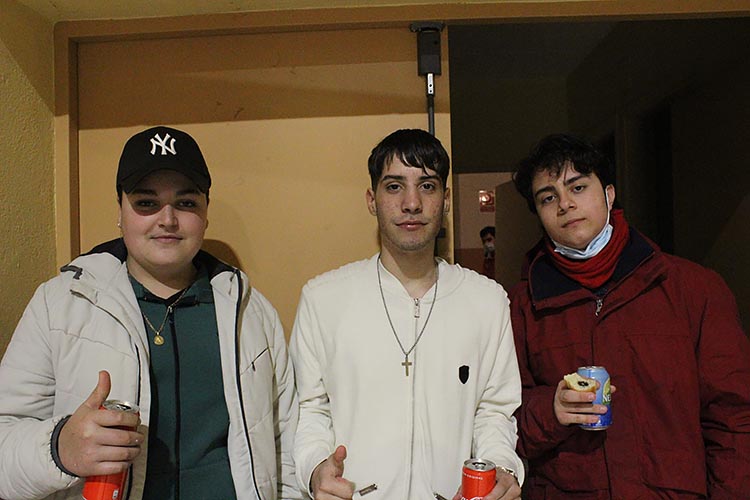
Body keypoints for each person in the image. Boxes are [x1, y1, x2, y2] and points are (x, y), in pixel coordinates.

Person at [0, 126, 301, 500]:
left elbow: (285, 447)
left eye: (186, 203)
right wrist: (60, 448)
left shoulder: (252, 312)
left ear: (205, 214)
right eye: (146, 203)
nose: (167, 219)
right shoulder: (59, 304)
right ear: (120, 212)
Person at [509, 133, 750, 498]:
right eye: (548, 197)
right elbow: (501, 421)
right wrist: (550, 409)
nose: (565, 204)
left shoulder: (693, 288)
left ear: (609, 194)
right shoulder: (521, 307)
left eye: (578, 187)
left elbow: (734, 418)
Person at [290, 129, 523, 500]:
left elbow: (495, 411)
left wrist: (502, 468)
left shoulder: (487, 301)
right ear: (372, 200)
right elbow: (309, 409)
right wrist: (315, 467)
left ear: (446, 200)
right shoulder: (323, 299)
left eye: (427, 186)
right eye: (394, 186)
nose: (412, 203)